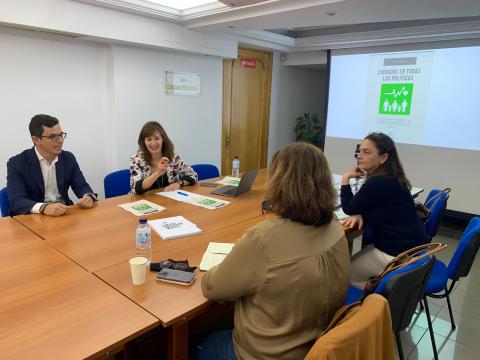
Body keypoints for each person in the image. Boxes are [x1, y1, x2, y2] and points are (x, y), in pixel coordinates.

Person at [196, 143, 351, 360]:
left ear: (279, 183)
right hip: (317, 343)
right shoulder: (334, 224)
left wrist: (219, 266)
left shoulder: (263, 238)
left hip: (265, 354)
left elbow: (212, 288)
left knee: (198, 343)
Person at [341, 132, 429, 289]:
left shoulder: (378, 183)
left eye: (366, 152)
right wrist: (361, 212)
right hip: (415, 249)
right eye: (359, 151)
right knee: (359, 263)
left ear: (383, 158)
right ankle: (381, 295)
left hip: (399, 254)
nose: (360, 156)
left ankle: (376, 301)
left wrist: (346, 178)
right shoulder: (392, 177)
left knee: (346, 273)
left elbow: (348, 208)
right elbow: (375, 207)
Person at [7, 114, 97, 216]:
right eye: (53, 137)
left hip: (64, 214)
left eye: (61, 135)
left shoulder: (68, 158)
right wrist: (44, 207)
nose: (60, 141)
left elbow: (81, 186)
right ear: (36, 140)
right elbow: (17, 201)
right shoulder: (17, 163)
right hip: (34, 217)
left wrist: (88, 196)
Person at [129, 121, 197, 194]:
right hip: (143, 202)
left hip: (168, 201)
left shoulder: (173, 158)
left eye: (157, 138)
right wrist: (158, 173)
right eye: (149, 139)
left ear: (163, 139)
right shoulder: (136, 160)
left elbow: (193, 175)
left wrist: (179, 183)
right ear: (143, 142)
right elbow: (136, 187)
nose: (153, 143)